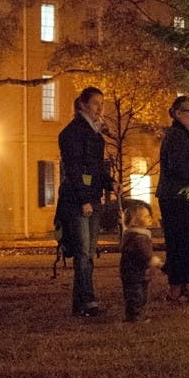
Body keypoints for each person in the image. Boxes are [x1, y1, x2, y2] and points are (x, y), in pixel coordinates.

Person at [55, 86, 112, 316]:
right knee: (83, 253)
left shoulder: (95, 134)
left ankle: (81, 303)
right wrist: (84, 199)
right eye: (96, 103)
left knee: (88, 252)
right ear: (83, 105)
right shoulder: (72, 133)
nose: (100, 108)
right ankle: (88, 300)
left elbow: (96, 167)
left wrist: (108, 183)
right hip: (77, 201)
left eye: (102, 103)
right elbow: (74, 168)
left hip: (92, 197)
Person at [156, 96, 189, 302]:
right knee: (179, 241)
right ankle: (175, 289)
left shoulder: (183, 135)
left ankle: (184, 286)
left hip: (181, 195)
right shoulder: (176, 136)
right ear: (178, 113)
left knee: (187, 241)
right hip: (177, 197)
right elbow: (179, 167)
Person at [120, 202, 163, 322]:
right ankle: (135, 316)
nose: (149, 218)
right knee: (135, 294)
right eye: (145, 216)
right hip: (133, 271)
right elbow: (144, 252)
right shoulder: (138, 237)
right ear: (135, 221)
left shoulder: (137, 235)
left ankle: (136, 314)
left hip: (137, 270)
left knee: (141, 294)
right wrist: (154, 261)